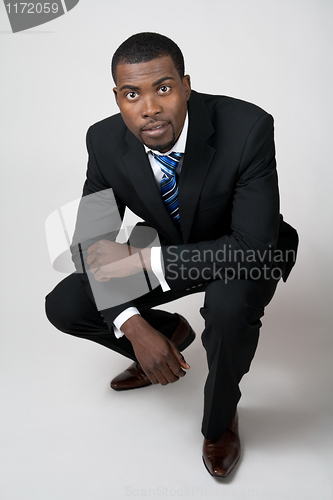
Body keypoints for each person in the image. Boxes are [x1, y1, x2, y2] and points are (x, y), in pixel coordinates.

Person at [45, 32, 298, 478]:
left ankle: (220, 423)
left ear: (184, 84)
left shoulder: (247, 128)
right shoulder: (104, 141)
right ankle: (169, 336)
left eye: (163, 88)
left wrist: (145, 262)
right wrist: (134, 326)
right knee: (66, 304)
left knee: (226, 309)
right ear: (117, 98)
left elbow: (253, 246)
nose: (149, 108)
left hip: (246, 252)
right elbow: (89, 244)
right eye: (131, 94)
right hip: (174, 248)